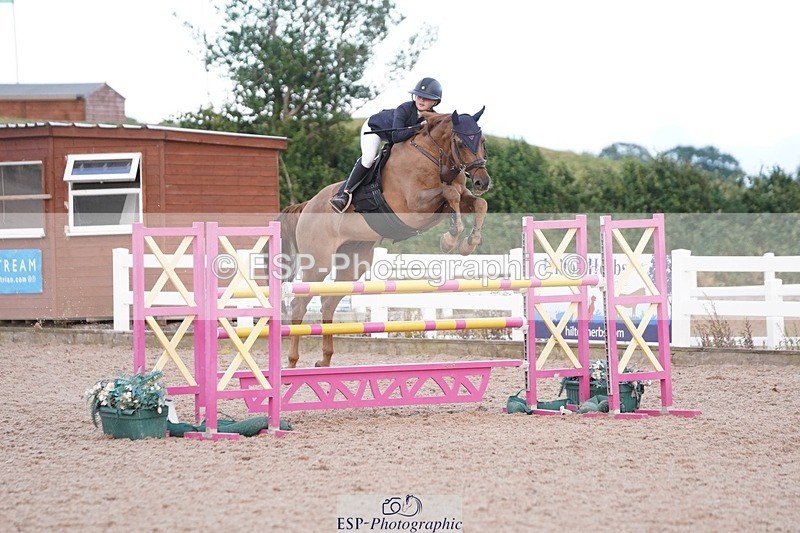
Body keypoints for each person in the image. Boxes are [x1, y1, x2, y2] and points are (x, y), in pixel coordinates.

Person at [329, 77, 443, 213]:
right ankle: (344, 194)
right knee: (369, 158)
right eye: (419, 96)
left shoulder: (433, 117)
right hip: (375, 128)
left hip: (396, 136)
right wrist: (418, 127)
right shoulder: (404, 109)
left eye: (426, 97)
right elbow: (396, 137)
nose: (421, 100)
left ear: (435, 102)